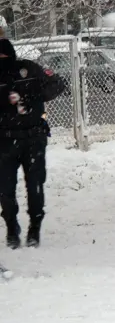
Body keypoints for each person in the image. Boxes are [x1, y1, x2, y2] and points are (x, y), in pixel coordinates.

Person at [1, 37, 64, 248]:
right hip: (5, 141)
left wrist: (32, 95)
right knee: (5, 190)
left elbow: (57, 84)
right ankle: (11, 226)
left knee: (35, 185)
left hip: (33, 138)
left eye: (4, 56)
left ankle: (35, 227)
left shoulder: (28, 69)